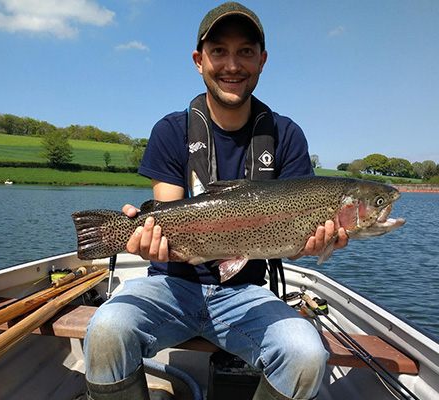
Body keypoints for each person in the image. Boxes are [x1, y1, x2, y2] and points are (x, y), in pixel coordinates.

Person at [84, 3, 349, 399]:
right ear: (199, 60)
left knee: (306, 353)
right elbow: (168, 216)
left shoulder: (287, 136)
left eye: (245, 51)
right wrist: (142, 236)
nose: (232, 65)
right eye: (219, 51)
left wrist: (316, 244)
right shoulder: (170, 130)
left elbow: (293, 245)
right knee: (105, 330)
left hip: (245, 291)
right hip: (170, 285)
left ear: (261, 61)